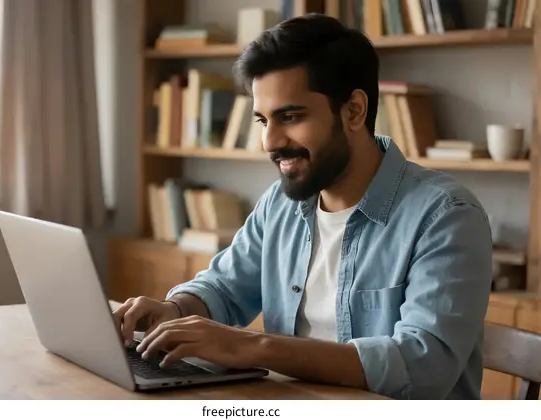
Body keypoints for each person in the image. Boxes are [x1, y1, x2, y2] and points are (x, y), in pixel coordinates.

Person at [113, 13, 492, 400]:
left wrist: (251, 347)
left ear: (354, 111)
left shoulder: (446, 215)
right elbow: (224, 288)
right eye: (263, 120)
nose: (270, 141)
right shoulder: (279, 203)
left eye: (290, 117)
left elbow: (422, 366)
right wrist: (173, 311)